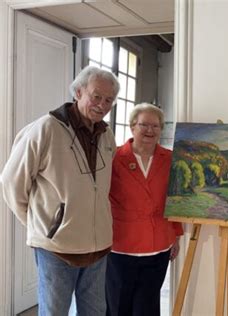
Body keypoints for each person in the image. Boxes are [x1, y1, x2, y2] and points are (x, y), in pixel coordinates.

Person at [1, 65, 120, 315]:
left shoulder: (107, 135)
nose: (102, 104)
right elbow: (12, 182)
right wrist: (42, 226)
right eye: (96, 96)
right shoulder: (46, 128)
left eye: (109, 99)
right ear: (78, 92)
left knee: (95, 311)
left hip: (98, 248)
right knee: (55, 311)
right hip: (57, 249)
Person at [106, 103, 183, 316]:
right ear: (132, 127)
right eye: (144, 125)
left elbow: (174, 199)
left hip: (158, 246)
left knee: (147, 307)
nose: (150, 130)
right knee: (118, 306)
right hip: (120, 247)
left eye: (155, 126)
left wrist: (176, 235)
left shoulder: (170, 159)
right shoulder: (114, 158)